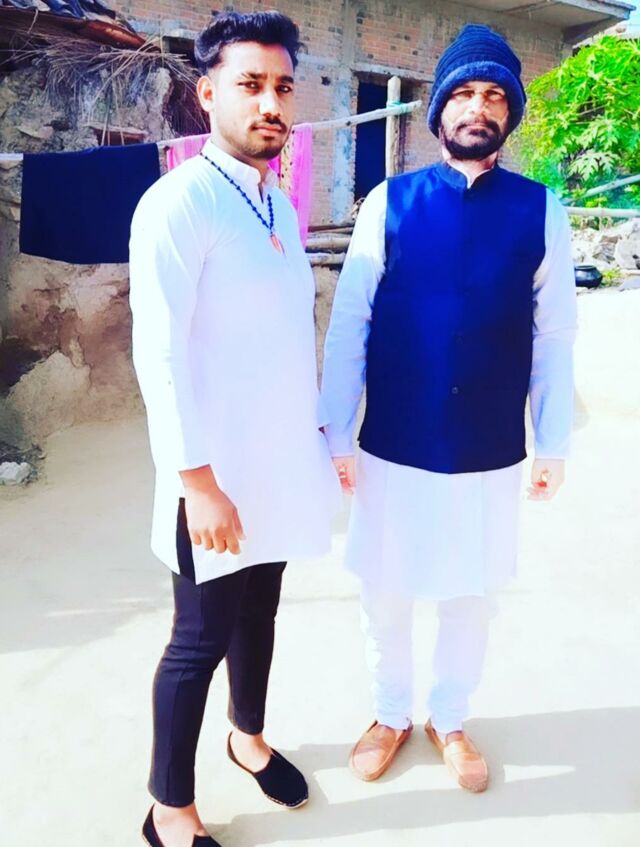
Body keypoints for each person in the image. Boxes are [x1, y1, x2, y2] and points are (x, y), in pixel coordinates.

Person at [321, 23, 577, 793]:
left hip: (488, 444)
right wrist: (336, 429)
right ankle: (389, 712)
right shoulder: (389, 203)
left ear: (509, 113)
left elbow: (555, 335)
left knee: (471, 590)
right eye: (463, 93)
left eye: (494, 95)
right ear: (438, 110)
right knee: (386, 586)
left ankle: (450, 717)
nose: (477, 107)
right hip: (393, 438)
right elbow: (351, 321)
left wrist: (552, 442)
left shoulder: (541, 210)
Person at [129, 11, 338, 846]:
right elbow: (159, 354)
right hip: (212, 481)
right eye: (250, 84)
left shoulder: (275, 204)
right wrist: (197, 483)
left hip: (276, 467)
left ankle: (247, 738)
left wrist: (314, 443)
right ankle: (169, 810)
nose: (271, 103)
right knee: (199, 639)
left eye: (283, 86)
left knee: (260, 614)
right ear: (208, 92)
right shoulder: (180, 203)